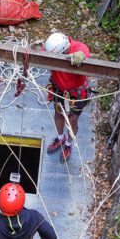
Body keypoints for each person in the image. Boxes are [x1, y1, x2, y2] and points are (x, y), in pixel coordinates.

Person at [44, 32, 91, 163]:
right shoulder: (51, 48)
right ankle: (60, 138)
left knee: (73, 121)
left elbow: (84, 52)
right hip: (58, 86)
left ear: (65, 50)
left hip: (77, 91)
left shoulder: (78, 47)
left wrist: (80, 57)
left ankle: (68, 145)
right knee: (58, 114)